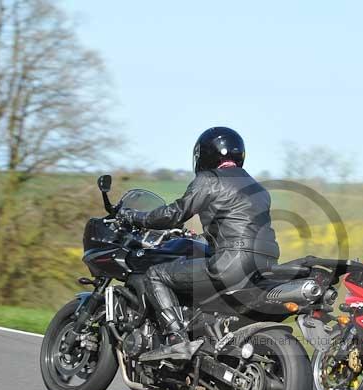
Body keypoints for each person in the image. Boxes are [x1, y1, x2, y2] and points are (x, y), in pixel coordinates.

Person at [117, 127, 279, 352]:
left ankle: (176, 340)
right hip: (266, 265)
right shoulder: (259, 189)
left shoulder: (209, 180)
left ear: (205, 153)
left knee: (155, 274)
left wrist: (135, 217)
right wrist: (202, 238)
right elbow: (238, 226)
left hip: (232, 263)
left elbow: (174, 214)